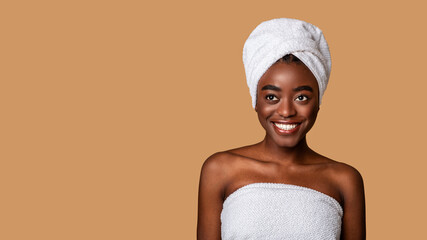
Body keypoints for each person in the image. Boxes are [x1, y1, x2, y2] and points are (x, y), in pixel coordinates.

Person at [197, 18, 365, 240]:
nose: (286, 111)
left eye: (301, 97)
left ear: (318, 102)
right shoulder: (220, 170)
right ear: (255, 101)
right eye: (272, 97)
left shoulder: (344, 180)